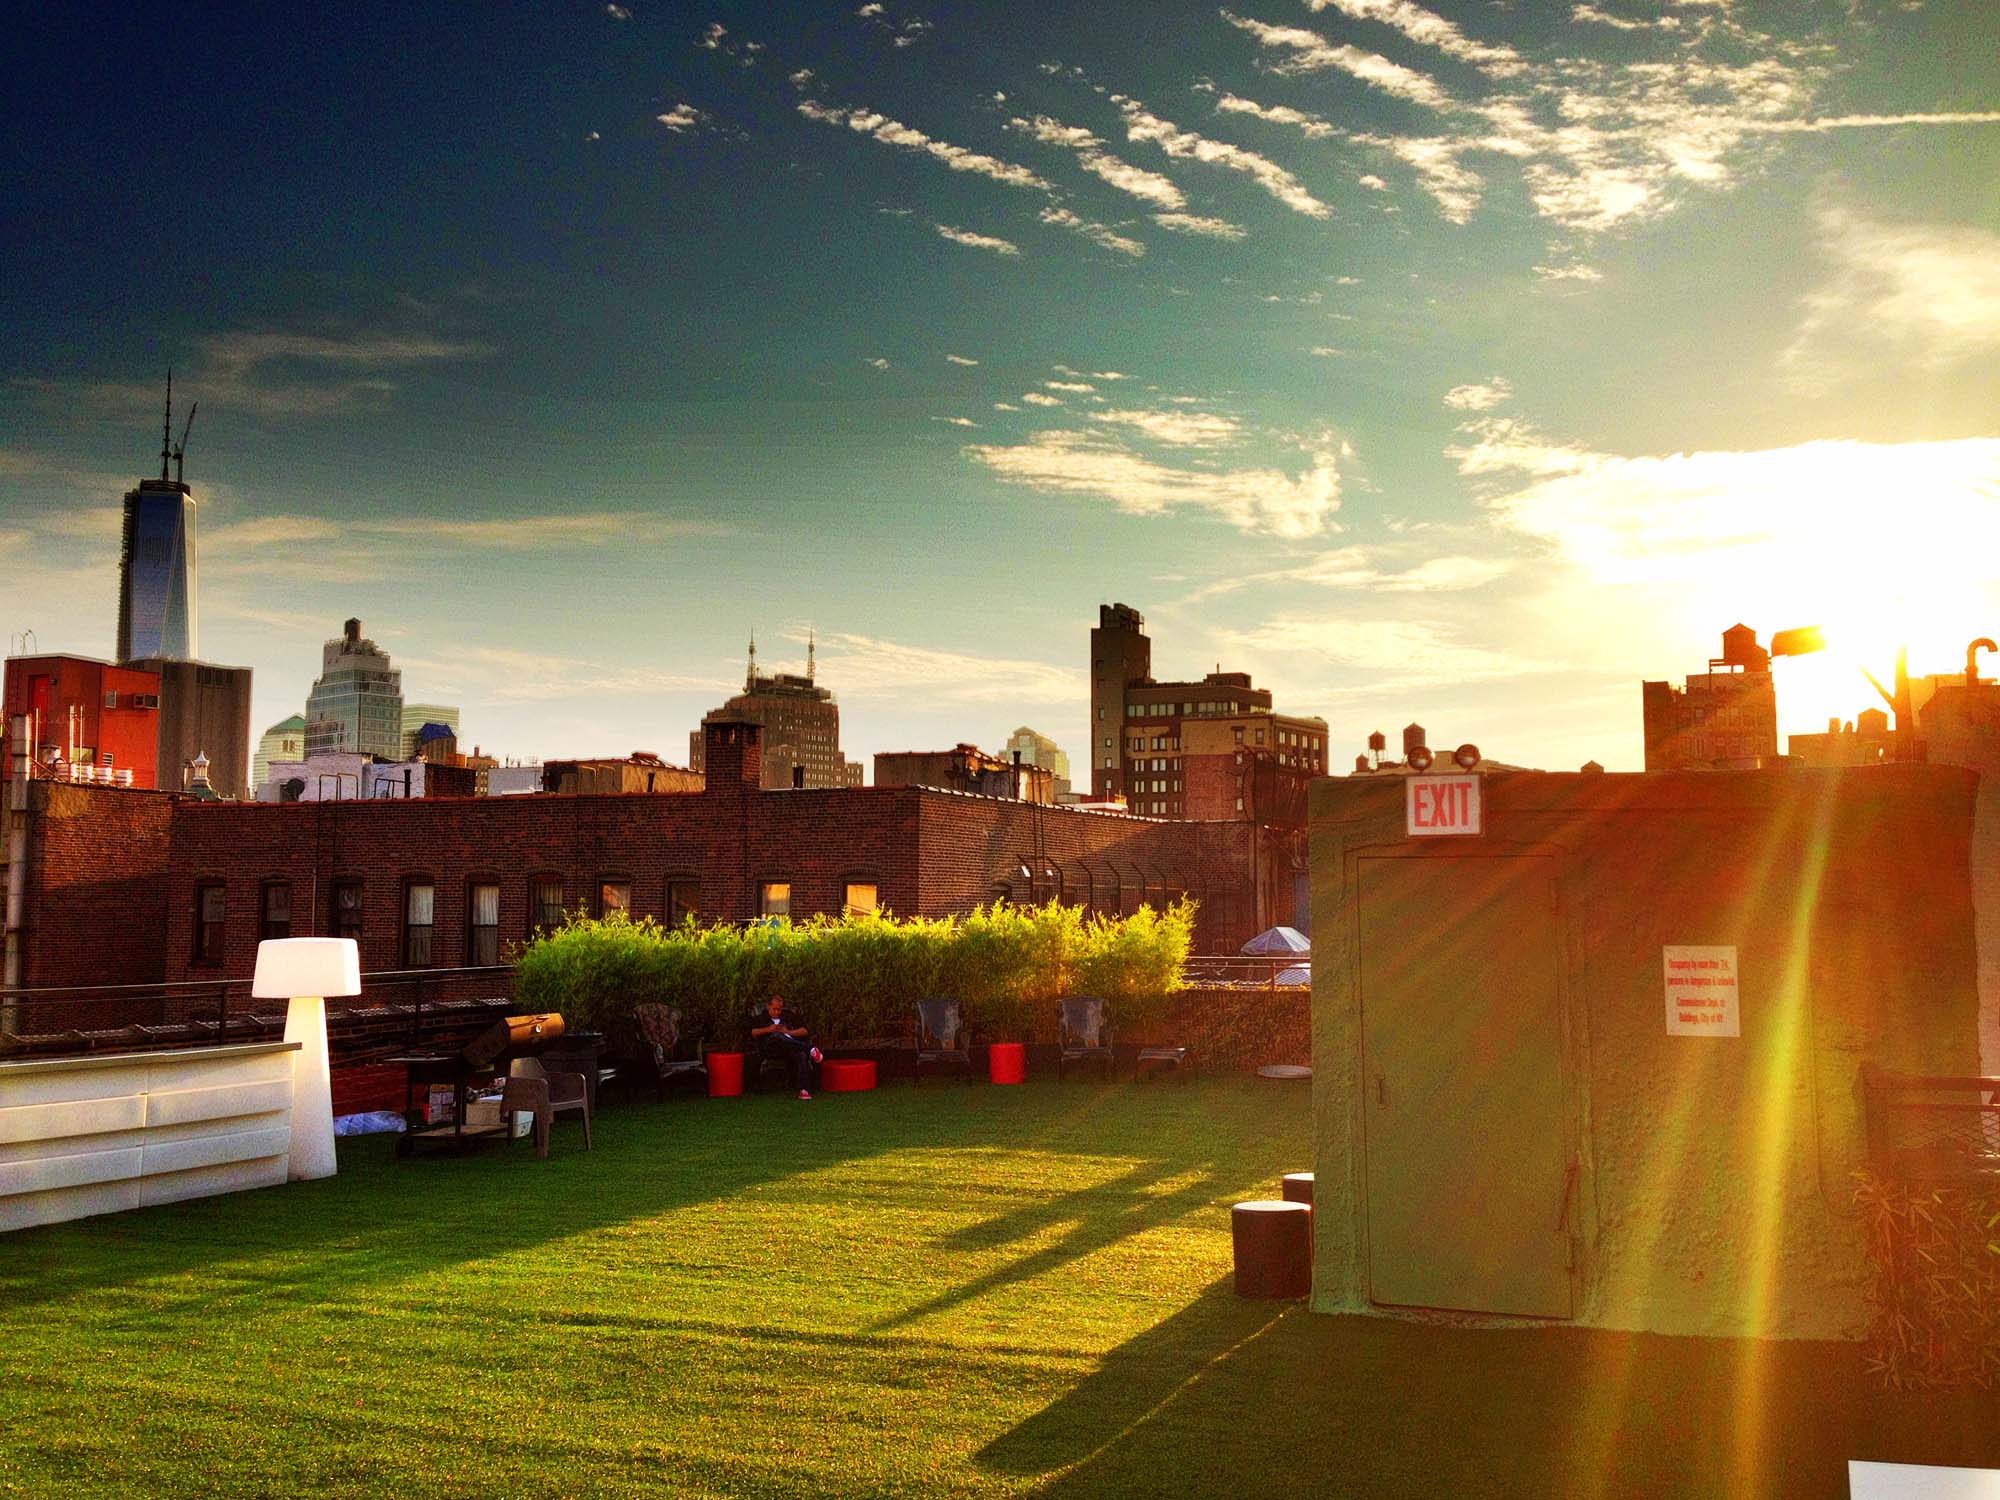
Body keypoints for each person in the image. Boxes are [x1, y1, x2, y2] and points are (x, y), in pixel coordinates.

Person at [751, 993, 822, 1098]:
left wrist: (788, 1032)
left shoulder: (789, 1015)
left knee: (801, 1054)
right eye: (774, 1009)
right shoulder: (762, 1017)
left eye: (779, 1009)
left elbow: (805, 1031)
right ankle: (810, 1049)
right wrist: (769, 1029)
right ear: (768, 1006)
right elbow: (753, 1032)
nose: (777, 1012)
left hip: (789, 1047)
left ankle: (804, 1090)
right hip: (771, 1048)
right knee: (777, 1036)